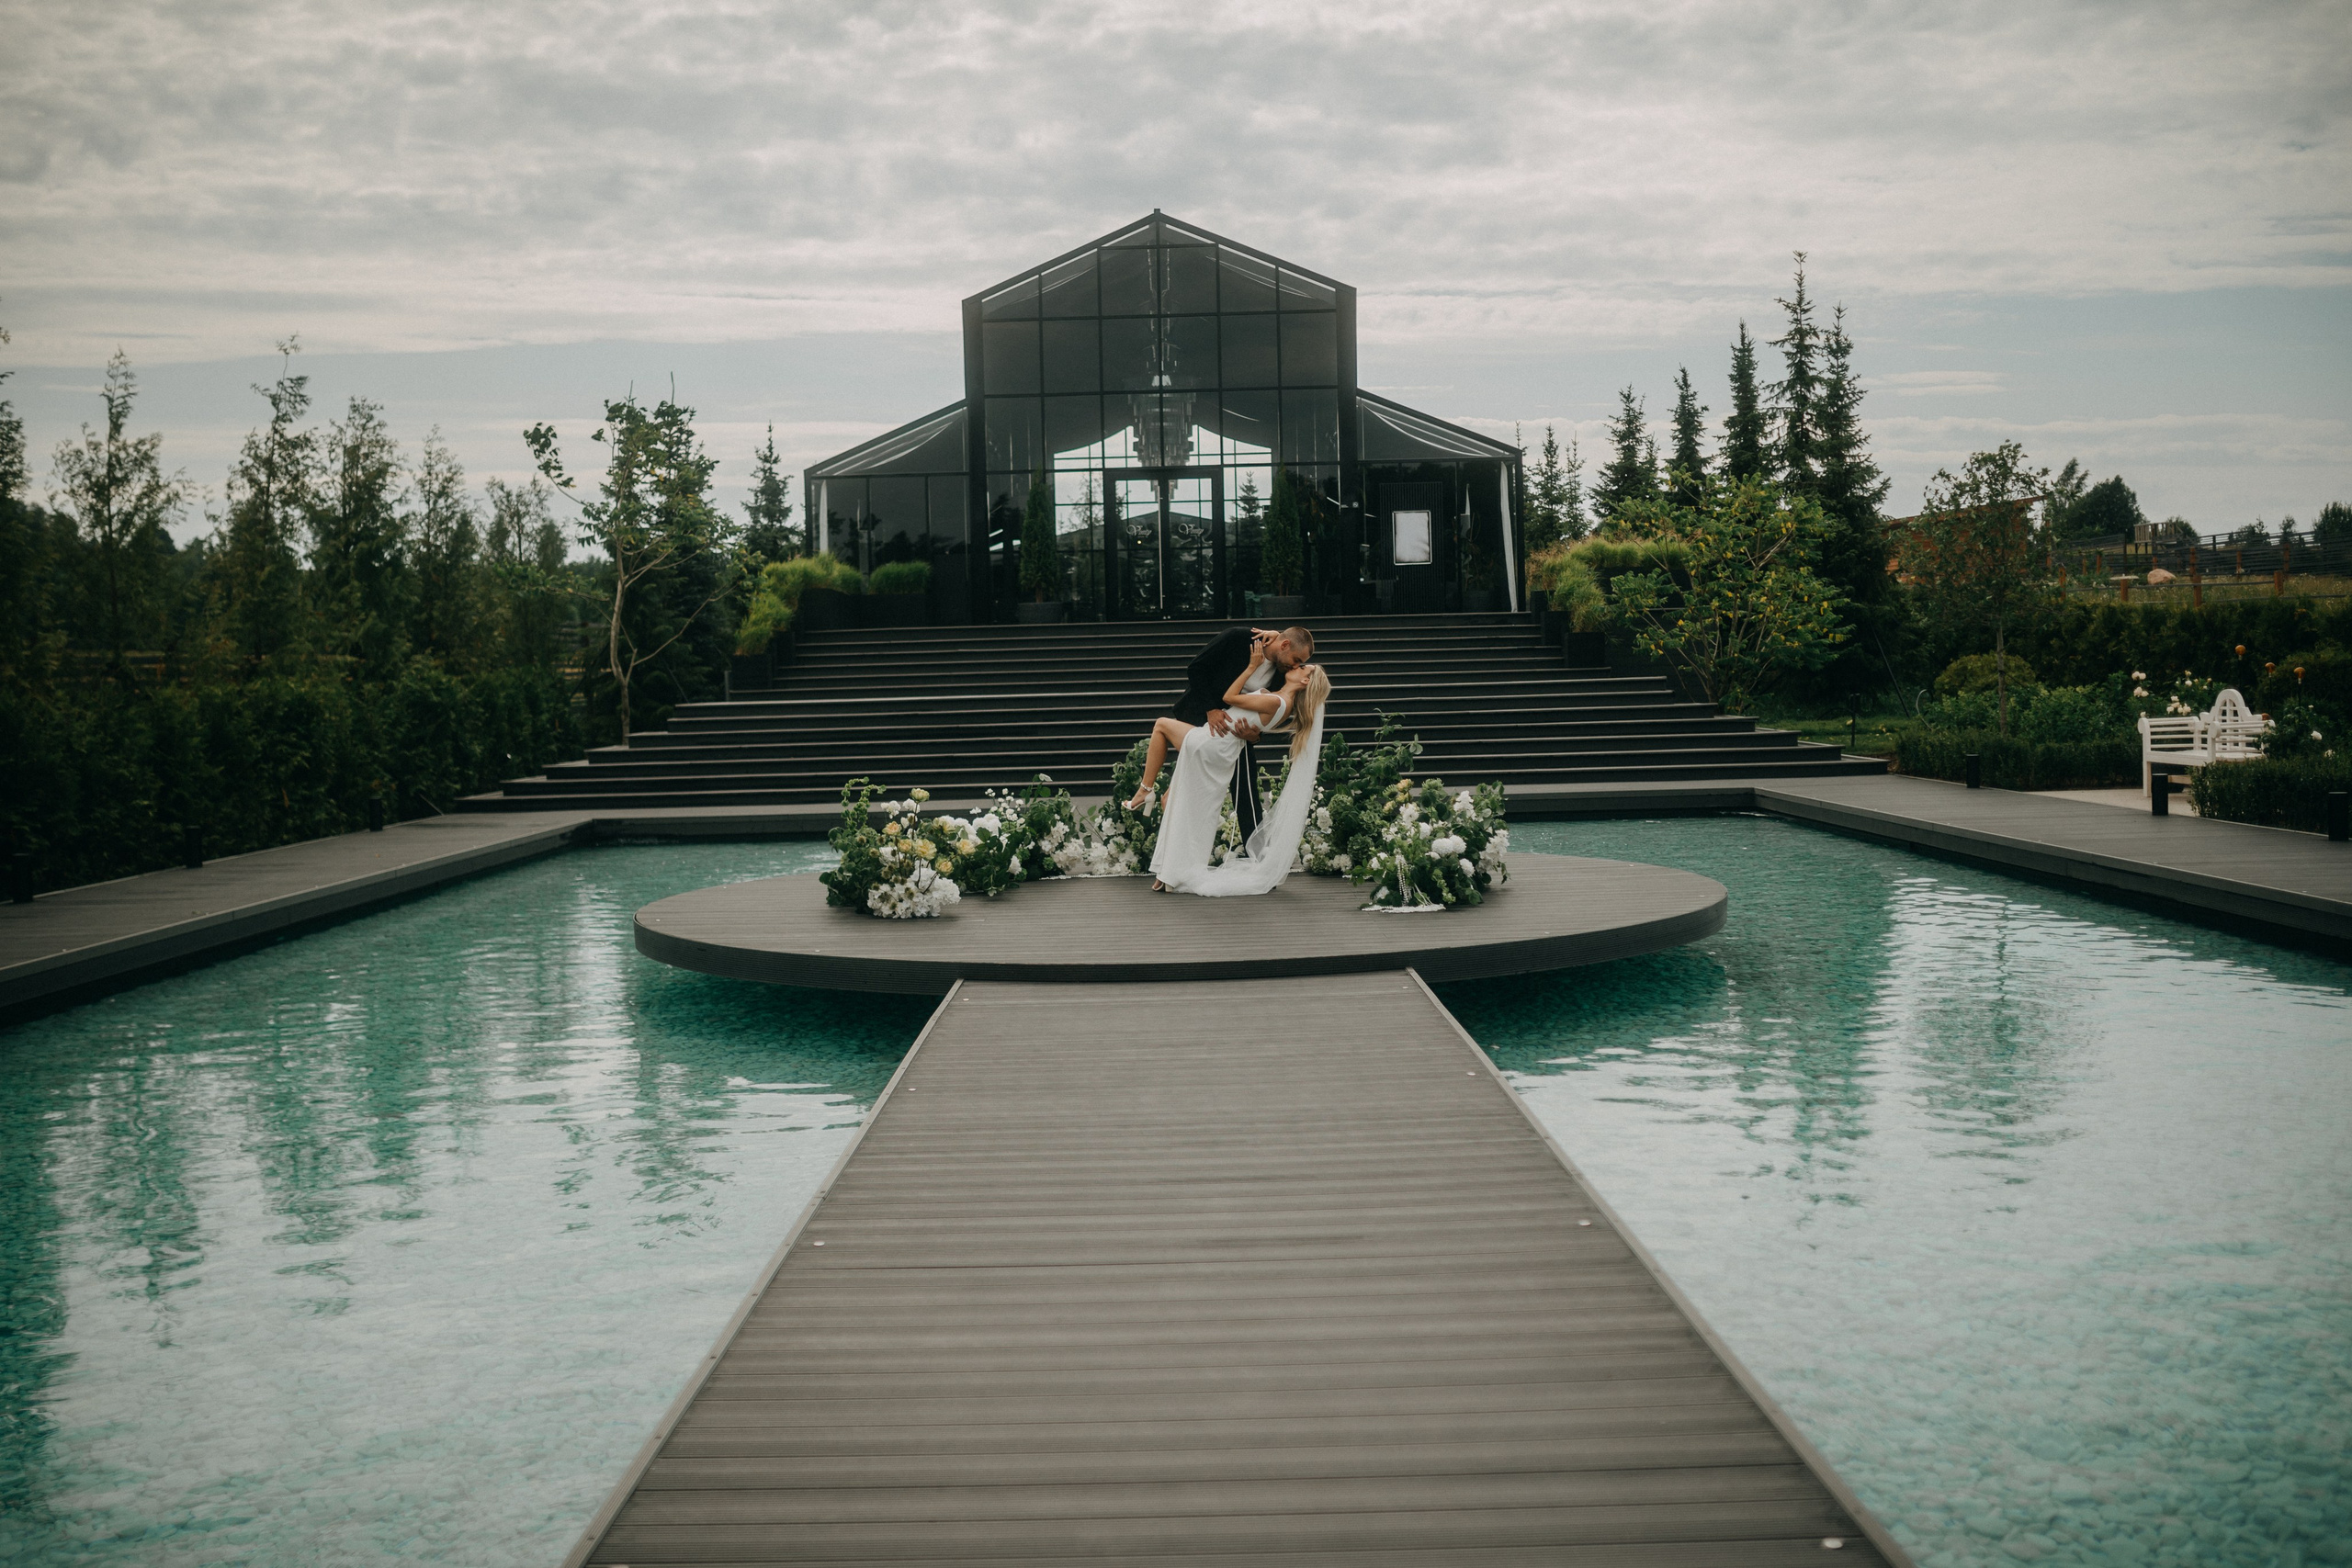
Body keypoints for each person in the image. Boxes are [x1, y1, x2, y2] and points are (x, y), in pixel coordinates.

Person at [1128, 639, 1332, 897]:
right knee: (1182, 805)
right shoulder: (1280, 701)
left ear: (1304, 682)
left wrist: (1251, 667)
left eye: (1303, 668)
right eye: (1299, 662)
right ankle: (1167, 875)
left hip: (1212, 743)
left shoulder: (1277, 702)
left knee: (1161, 725)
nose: (1298, 666)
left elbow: (1228, 697)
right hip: (1217, 744)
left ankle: (1146, 789)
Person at [1162, 626, 1314, 847]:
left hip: (1238, 733)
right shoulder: (1238, 639)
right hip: (1201, 718)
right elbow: (1197, 668)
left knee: (1247, 790)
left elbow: (1269, 713)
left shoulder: (1284, 675)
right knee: (1183, 788)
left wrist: (1255, 736)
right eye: (1296, 659)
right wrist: (1211, 709)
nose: (1296, 665)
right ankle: (1173, 848)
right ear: (1284, 645)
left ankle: (1257, 855)